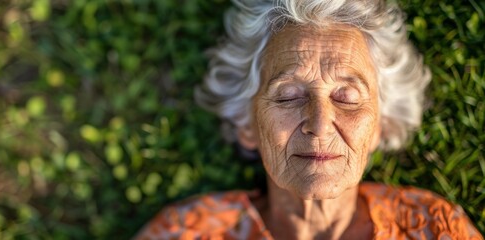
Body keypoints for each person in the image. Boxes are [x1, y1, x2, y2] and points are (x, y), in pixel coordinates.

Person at [135, 0, 483, 239]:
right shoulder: (188, 232)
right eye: (288, 96)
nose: (319, 123)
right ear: (247, 124)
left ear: (380, 123)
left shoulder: (432, 230)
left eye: (346, 98)